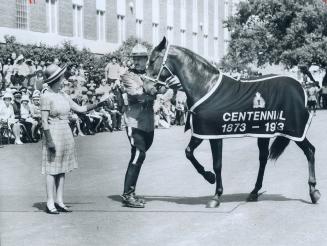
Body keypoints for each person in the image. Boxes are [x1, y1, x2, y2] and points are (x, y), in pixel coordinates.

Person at [40, 64, 108, 214]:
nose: (64, 80)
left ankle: (59, 200)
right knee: (52, 170)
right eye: (61, 77)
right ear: (55, 79)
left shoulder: (63, 94)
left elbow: (80, 109)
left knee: (62, 168)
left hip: (65, 132)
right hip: (53, 132)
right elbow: (44, 121)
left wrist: (99, 103)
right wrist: (49, 140)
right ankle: (50, 202)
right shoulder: (46, 96)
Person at [120, 44, 166, 208]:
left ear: (147, 60)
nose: (137, 61)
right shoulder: (127, 76)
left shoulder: (149, 75)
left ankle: (131, 192)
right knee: (138, 154)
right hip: (134, 121)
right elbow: (137, 94)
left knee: (140, 156)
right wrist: (157, 90)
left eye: (141, 58)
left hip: (148, 122)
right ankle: (127, 195)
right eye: (135, 58)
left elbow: (163, 89)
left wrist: (162, 88)